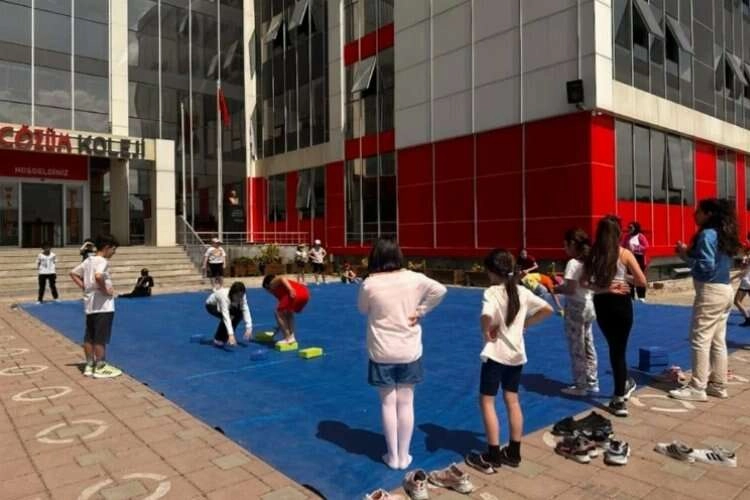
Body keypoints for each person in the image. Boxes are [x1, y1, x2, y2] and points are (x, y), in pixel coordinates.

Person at [357, 238, 447, 470]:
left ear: (375, 257)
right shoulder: (415, 278)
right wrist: (421, 310)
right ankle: (404, 456)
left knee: (388, 404)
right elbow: (440, 290)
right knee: (406, 403)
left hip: (381, 351)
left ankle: (393, 455)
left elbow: (362, 309)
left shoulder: (370, 284)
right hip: (408, 350)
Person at [464, 249, 552, 473]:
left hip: (496, 355)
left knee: (487, 401)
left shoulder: (492, 292)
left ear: (492, 272)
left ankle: (492, 454)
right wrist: (525, 325)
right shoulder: (522, 291)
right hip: (516, 355)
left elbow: (486, 315)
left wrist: (486, 331)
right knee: (512, 400)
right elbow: (547, 309)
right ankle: (514, 452)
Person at [670, 199, 740, 401]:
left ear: (708, 214)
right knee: (718, 340)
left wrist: (686, 256)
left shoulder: (707, 234)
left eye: (698, 211)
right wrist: (688, 254)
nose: (695, 215)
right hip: (725, 289)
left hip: (710, 291)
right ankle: (718, 384)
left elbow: (706, 266)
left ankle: (697, 387)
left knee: (700, 339)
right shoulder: (724, 234)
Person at [583, 216, 647, 417]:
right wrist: (624, 277)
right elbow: (642, 281)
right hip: (621, 304)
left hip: (602, 303)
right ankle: (619, 396)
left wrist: (604, 287)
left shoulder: (594, 254)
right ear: (618, 233)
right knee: (619, 350)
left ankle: (623, 386)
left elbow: (584, 282)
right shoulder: (625, 254)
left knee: (615, 348)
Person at [69, 235, 122, 379]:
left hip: (90, 304)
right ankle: (100, 366)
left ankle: (89, 364)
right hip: (103, 305)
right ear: (107, 247)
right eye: (113, 249)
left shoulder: (88, 260)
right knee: (100, 337)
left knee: (89, 335)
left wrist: (85, 287)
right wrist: (105, 290)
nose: (114, 253)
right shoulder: (102, 261)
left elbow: (73, 273)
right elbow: (98, 276)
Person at [555, 229, 598, 396]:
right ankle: (592, 381)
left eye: (566, 245)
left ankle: (580, 385)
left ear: (572, 244)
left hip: (575, 306)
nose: (564, 248)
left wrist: (558, 287)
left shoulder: (573, 263)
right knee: (588, 344)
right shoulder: (590, 261)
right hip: (589, 304)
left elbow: (571, 289)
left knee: (577, 346)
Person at [262, 274, 310, 345]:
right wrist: (279, 326)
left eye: (266, 290)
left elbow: (281, 278)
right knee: (288, 313)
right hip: (305, 293)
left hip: (294, 293)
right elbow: (283, 314)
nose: (268, 292)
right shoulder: (279, 291)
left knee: (278, 313)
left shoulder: (272, 284)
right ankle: (292, 337)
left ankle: (287, 337)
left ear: (267, 285)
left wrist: (290, 289)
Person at [205, 281, 253, 347]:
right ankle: (218, 339)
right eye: (238, 296)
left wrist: (249, 327)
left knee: (239, 313)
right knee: (229, 317)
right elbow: (226, 317)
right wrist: (231, 334)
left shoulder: (242, 295)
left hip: (227, 305)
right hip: (211, 305)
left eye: (241, 296)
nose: (240, 298)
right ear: (232, 293)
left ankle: (227, 337)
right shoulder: (224, 296)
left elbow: (245, 309)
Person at [623, 222, 649, 302]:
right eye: (628, 227)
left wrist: (636, 248)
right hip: (629, 257)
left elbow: (646, 246)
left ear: (636, 228)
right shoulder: (627, 236)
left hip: (639, 258)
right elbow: (622, 245)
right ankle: (631, 296)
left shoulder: (640, 236)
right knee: (629, 277)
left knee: (639, 276)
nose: (629, 229)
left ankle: (641, 296)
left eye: (631, 227)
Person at [735, 246, 750, 327]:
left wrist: (733, 278)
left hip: (746, 282)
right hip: (747, 281)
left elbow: (743, 270)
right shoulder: (746, 258)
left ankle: (748, 318)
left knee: (737, 301)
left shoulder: (746, 258)